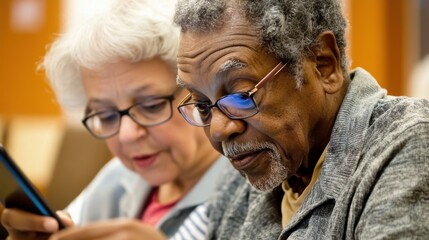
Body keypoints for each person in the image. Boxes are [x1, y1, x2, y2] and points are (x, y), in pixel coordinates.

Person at [173, 0, 429, 239]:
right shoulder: (237, 185)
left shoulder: (409, 144)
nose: (218, 130)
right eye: (203, 105)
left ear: (323, 64)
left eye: (241, 96)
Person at [1, 0, 228, 239]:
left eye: (150, 106)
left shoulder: (252, 194)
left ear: (201, 95)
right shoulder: (118, 178)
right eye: (107, 116)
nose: (127, 134)